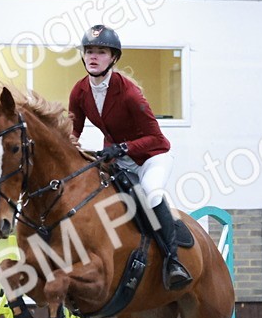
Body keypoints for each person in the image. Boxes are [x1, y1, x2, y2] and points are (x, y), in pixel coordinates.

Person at [68, 24, 192, 291]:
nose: (93, 56)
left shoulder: (129, 93)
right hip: (119, 161)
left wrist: (122, 148)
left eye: (101, 51)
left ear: (113, 58)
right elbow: (72, 133)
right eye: (89, 50)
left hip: (151, 158)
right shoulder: (79, 92)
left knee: (151, 193)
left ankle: (173, 262)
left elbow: (159, 140)